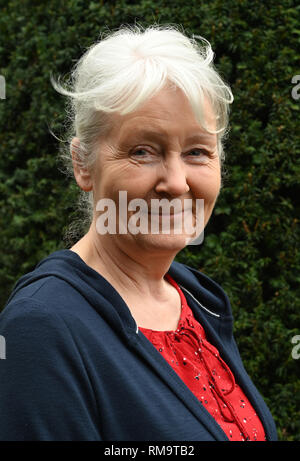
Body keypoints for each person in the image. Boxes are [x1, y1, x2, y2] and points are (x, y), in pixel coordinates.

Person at [0, 25, 277, 441]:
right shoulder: (42, 329)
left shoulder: (198, 299)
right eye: (142, 151)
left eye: (197, 152)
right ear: (83, 165)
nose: (177, 182)